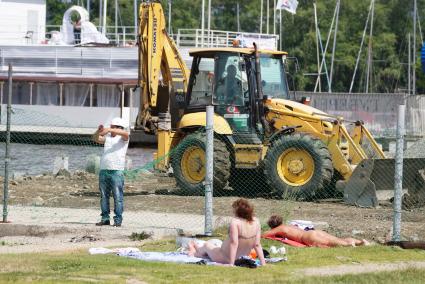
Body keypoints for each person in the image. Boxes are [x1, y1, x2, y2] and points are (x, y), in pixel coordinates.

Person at [187, 198, 266, 266]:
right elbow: (257, 244)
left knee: (207, 245)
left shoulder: (236, 222)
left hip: (225, 257)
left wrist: (231, 263)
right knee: (210, 248)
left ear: (237, 211)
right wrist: (263, 263)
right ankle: (195, 248)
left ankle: (193, 251)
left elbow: (234, 243)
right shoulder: (256, 221)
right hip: (241, 257)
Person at [92, 117, 130, 227]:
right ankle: (105, 219)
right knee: (104, 196)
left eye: (113, 127)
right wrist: (98, 131)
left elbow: (125, 133)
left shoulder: (123, 138)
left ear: (118, 128)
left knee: (118, 197)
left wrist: (108, 129)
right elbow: (95, 139)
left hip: (117, 171)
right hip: (104, 170)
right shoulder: (108, 138)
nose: (111, 129)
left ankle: (118, 220)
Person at [262, 215, 369, 247]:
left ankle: (348, 245)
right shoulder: (288, 225)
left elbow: (265, 235)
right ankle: (361, 242)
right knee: (337, 239)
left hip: (307, 237)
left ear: (273, 226)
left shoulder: (279, 229)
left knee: (329, 243)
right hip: (314, 231)